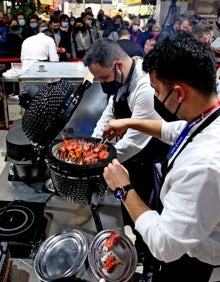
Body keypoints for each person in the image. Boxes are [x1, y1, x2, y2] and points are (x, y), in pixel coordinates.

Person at [102, 32, 220, 282]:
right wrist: (128, 122)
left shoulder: (203, 165)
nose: (154, 96)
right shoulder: (209, 115)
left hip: (194, 258)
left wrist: (123, 188)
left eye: (156, 90)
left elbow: (164, 245)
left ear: (179, 93)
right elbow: (173, 130)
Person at [83, 38, 170, 281]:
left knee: (148, 216)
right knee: (130, 215)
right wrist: (93, 144)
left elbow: (133, 142)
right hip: (128, 162)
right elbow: (108, 114)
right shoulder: (121, 79)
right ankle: (141, 251)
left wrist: (95, 162)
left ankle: (152, 268)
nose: (101, 84)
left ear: (118, 66)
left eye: (103, 78)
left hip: (147, 162)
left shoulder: (144, 88)